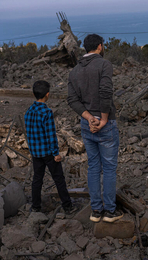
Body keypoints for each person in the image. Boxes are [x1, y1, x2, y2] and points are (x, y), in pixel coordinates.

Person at [67, 34, 123, 223]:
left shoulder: (74, 71)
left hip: (86, 123)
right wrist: (103, 118)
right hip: (105, 123)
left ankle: (96, 211)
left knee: (93, 167)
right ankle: (110, 211)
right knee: (108, 168)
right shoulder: (104, 64)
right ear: (100, 47)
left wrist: (90, 118)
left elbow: (72, 100)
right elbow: (106, 91)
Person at [25, 80, 75, 214]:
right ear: (47, 94)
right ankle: (68, 206)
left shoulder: (29, 111)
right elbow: (51, 135)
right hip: (48, 152)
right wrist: (56, 153)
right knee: (59, 179)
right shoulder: (47, 112)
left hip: (36, 153)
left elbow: (29, 133)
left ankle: (35, 206)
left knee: (37, 179)